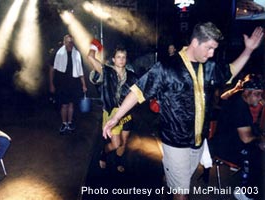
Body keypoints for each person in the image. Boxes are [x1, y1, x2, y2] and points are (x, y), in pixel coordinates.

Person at [103, 22, 264, 200]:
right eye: (209, 48)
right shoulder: (167, 67)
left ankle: (169, 179)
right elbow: (138, 91)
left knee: (183, 182)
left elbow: (230, 71)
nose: (212, 54)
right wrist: (116, 117)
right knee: (182, 194)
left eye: (214, 49)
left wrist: (248, 50)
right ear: (195, 42)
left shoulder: (209, 67)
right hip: (175, 143)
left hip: (198, 143)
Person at [210, 74, 265, 200]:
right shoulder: (239, 107)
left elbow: (223, 97)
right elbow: (246, 139)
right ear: (247, 92)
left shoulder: (238, 96)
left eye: (260, 94)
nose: (259, 98)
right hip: (224, 147)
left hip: (227, 140)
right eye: (257, 94)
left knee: (257, 147)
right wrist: (260, 139)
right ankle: (246, 193)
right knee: (257, 153)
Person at [87, 39, 138, 172]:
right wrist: (94, 46)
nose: (121, 60)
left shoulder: (132, 76)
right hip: (111, 112)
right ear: (114, 59)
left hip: (126, 113)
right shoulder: (107, 72)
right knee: (116, 144)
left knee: (124, 141)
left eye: (124, 57)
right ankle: (103, 153)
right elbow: (90, 57)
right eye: (118, 57)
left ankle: (118, 161)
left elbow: (142, 91)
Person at [49, 34, 87, 134]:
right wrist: (51, 84)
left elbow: (80, 71)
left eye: (71, 41)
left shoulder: (77, 54)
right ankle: (64, 123)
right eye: (68, 41)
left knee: (71, 104)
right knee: (64, 105)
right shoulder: (58, 53)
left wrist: (84, 85)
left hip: (74, 83)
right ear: (64, 42)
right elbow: (52, 69)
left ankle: (69, 123)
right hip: (62, 84)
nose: (70, 43)